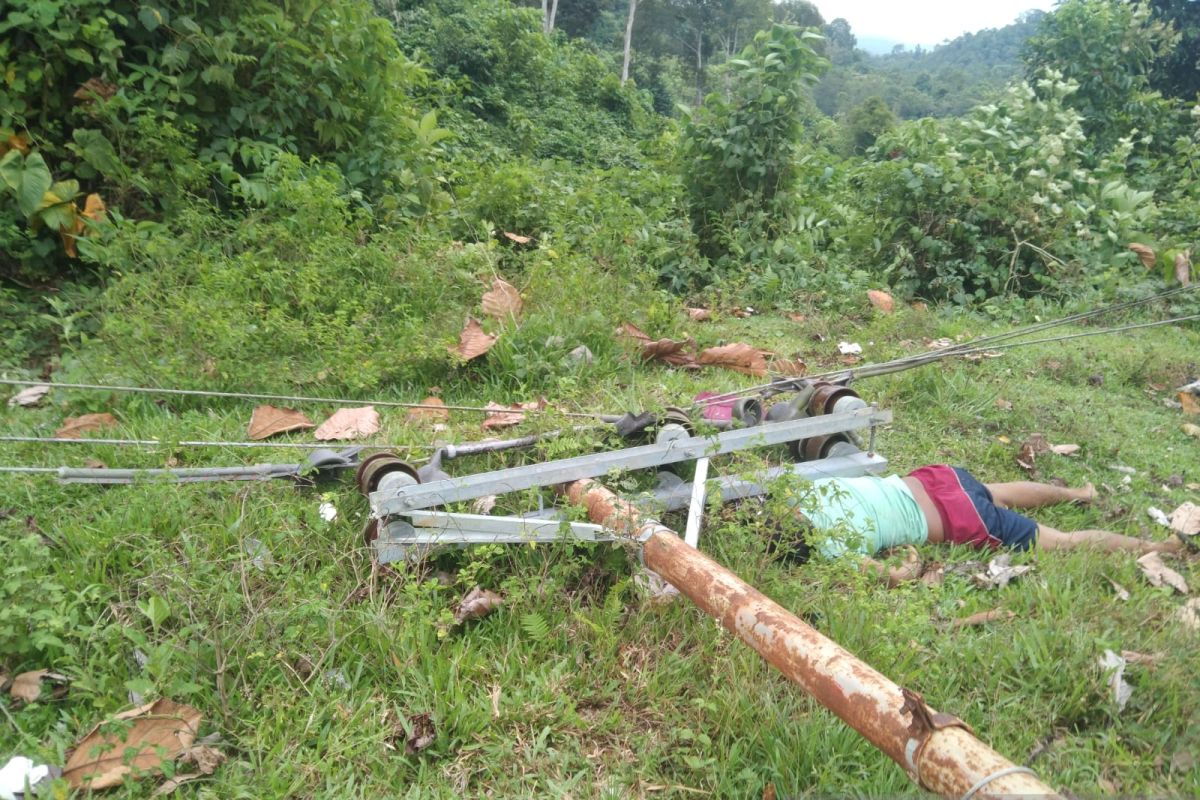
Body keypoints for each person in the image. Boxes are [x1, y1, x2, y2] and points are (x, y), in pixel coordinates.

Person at [782, 464, 1186, 586]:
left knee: (1062, 542)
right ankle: (1080, 493)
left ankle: (1165, 548)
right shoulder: (800, 493)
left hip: (955, 518)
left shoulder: (832, 549)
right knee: (998, 491)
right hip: (934, 477)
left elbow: (899, 574)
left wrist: (905, 559)